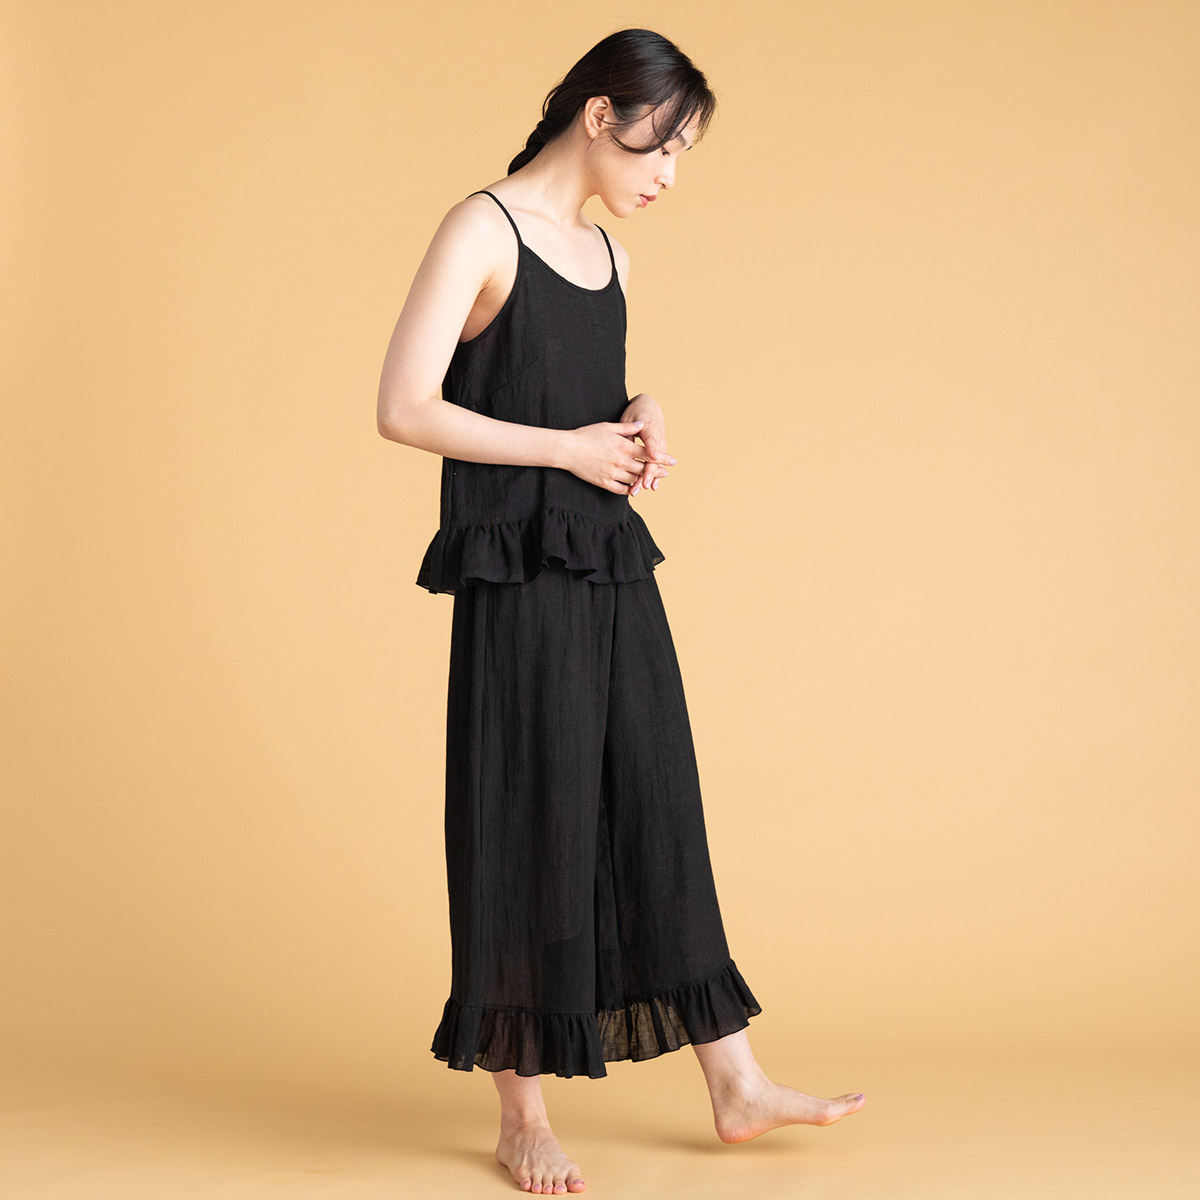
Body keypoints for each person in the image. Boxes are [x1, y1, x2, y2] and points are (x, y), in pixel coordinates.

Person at [377, 27, 865, 1196]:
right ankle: (522, 1117)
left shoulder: (612, 259)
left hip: (610, 568)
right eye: (664, 145)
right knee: (527, 820)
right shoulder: (480, 228)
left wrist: (641, 413)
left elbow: (582, 400)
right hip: (519, 576)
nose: (670, 175)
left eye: (685, 153)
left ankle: (736, 1083)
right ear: (601, 115)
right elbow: (403, 406)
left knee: (658, 802)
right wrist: (569, 449)